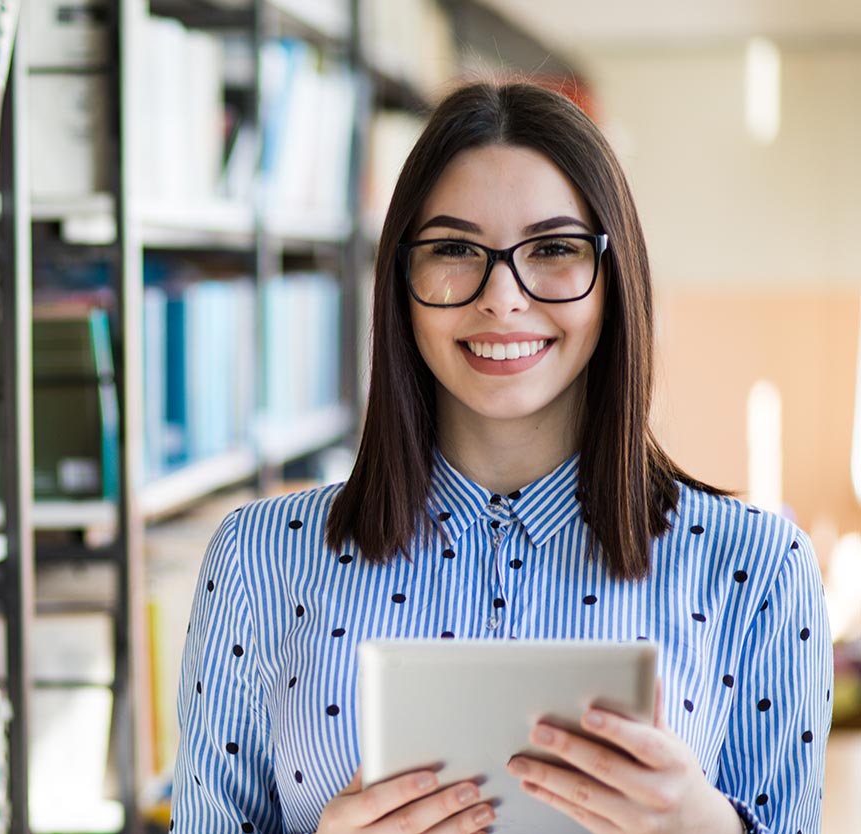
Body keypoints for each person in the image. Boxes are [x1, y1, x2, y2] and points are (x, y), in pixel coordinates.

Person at [170, 81, 832, 834]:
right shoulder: (258, 560)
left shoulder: (759, 568)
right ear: (400, 283)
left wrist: (707, 829)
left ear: (613, 281)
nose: (502, 297)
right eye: (453, 249)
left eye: (552, 249)